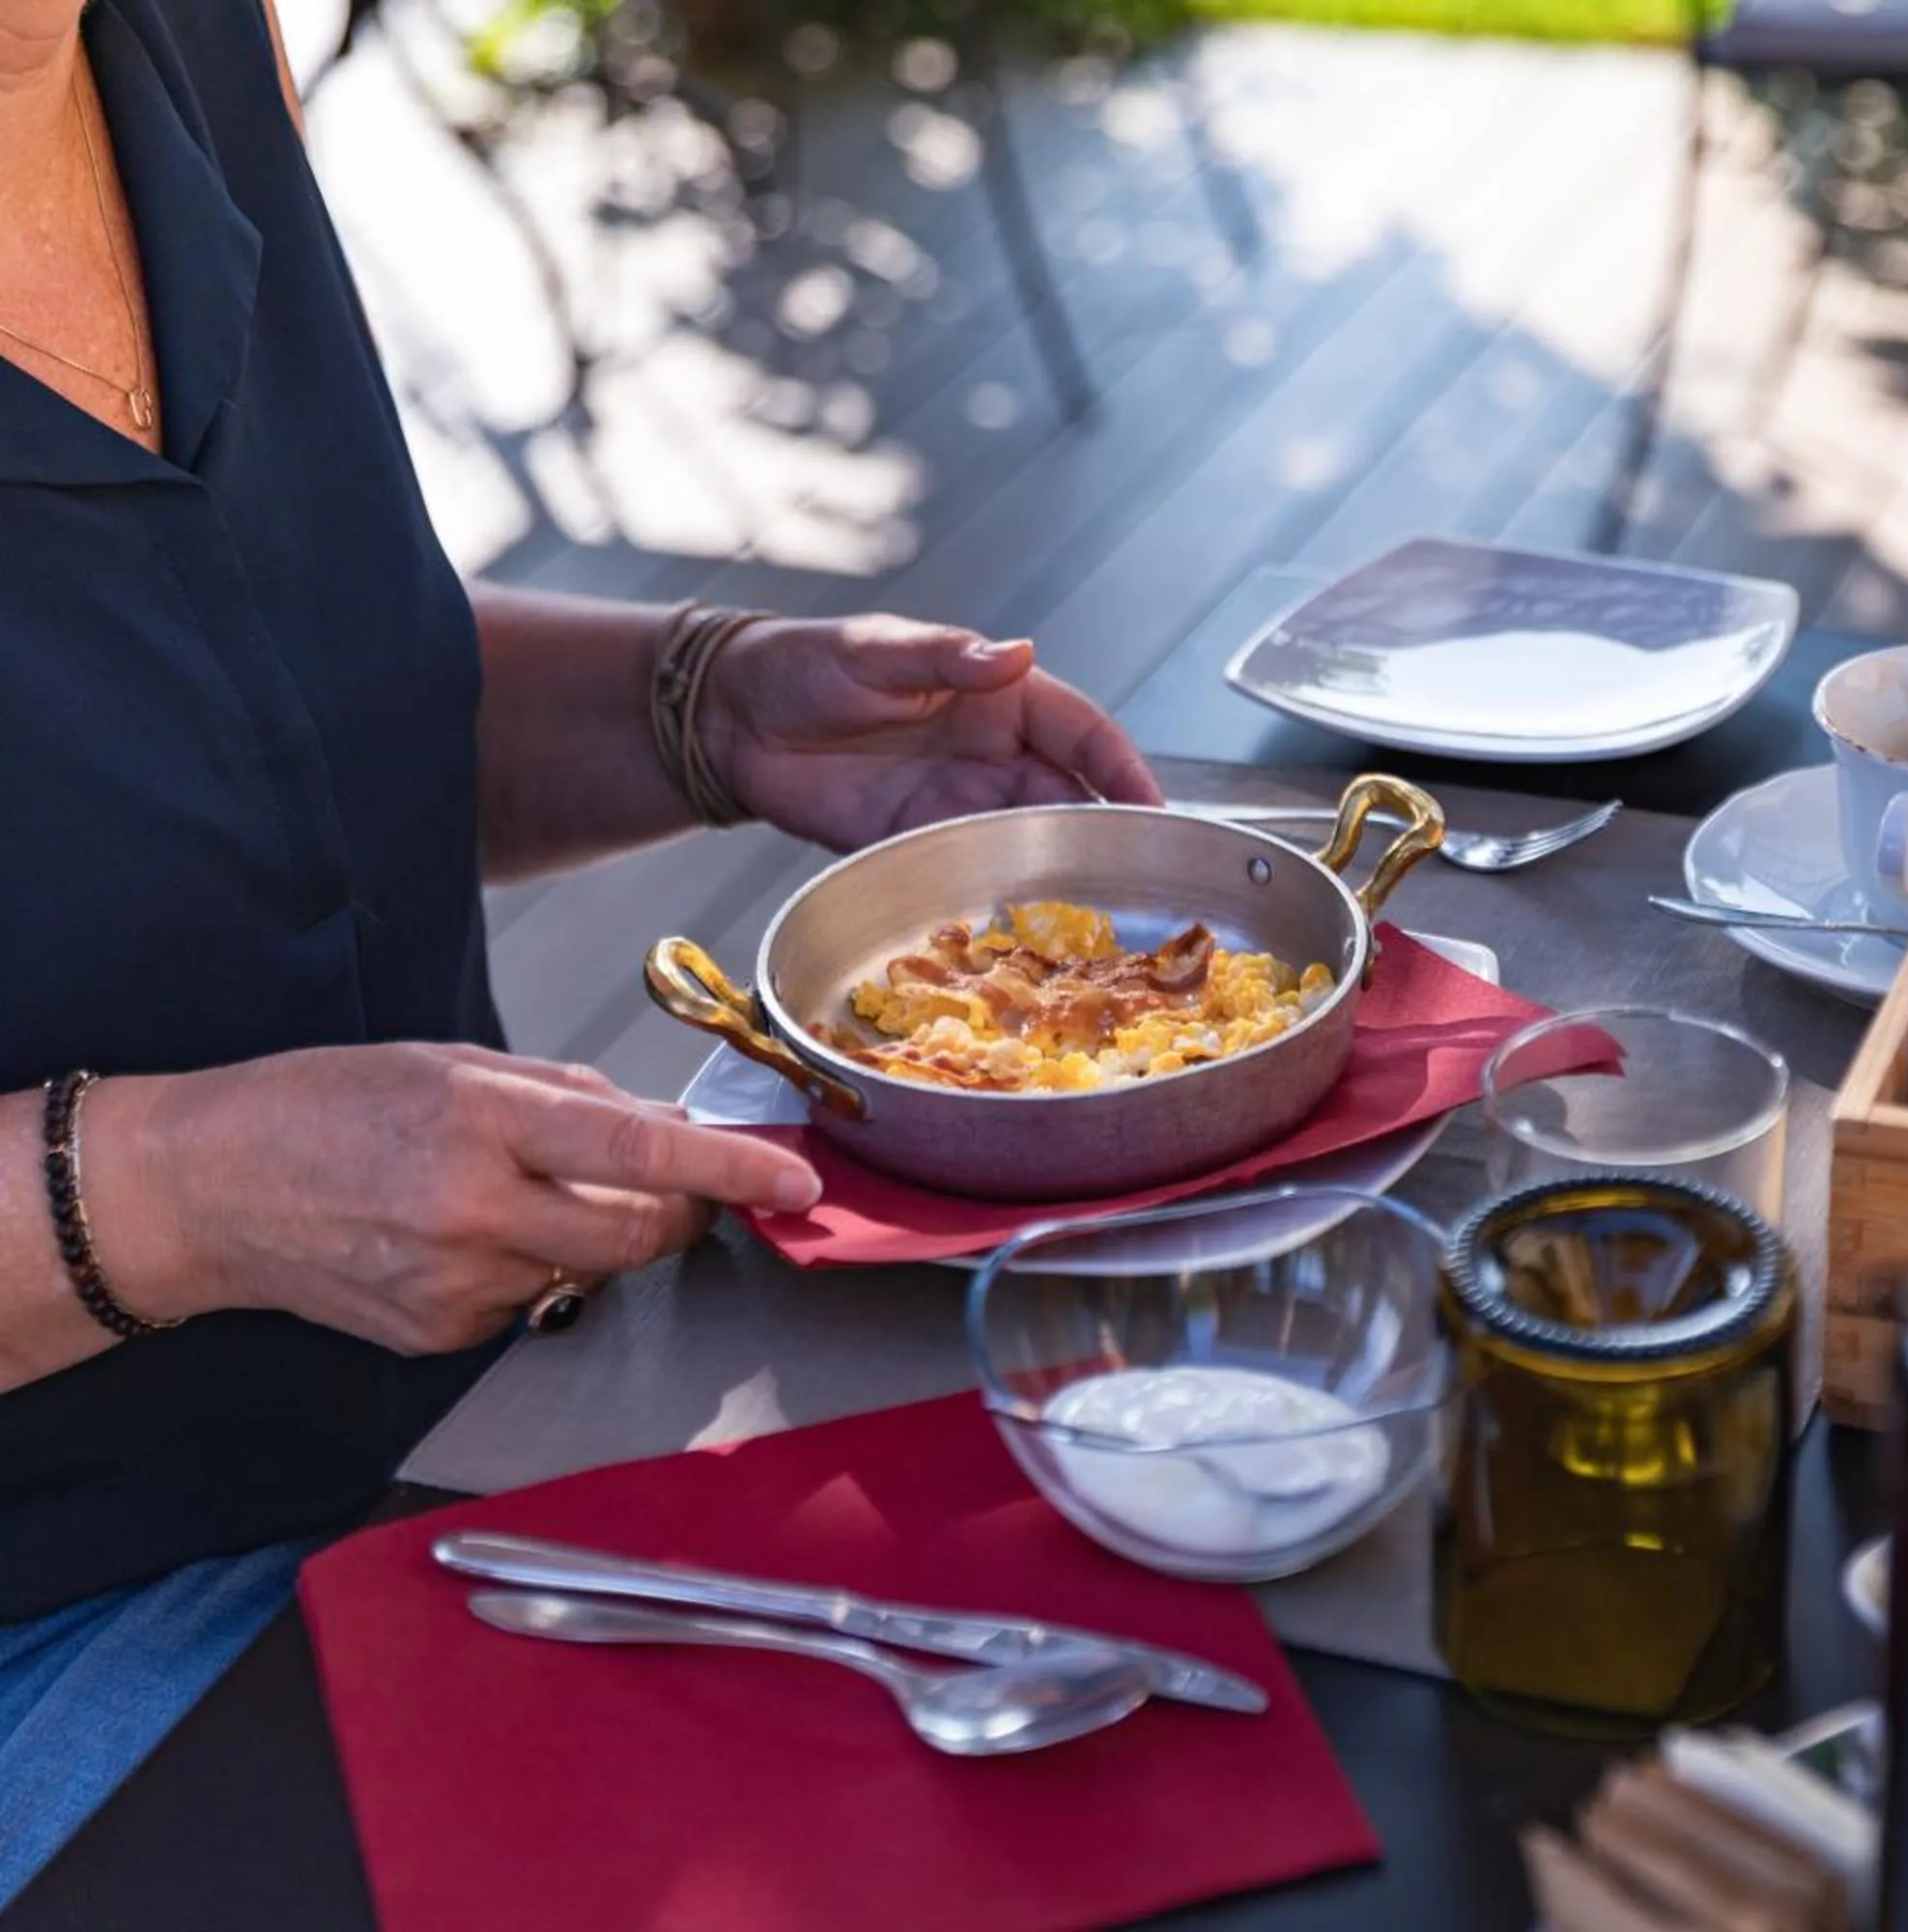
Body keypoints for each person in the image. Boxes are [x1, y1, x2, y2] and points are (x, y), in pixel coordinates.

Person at [0, 0, 1161, 1889]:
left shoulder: (179, 48)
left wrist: (692, 705)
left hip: (487, 1437)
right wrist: (178, 1192)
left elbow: (222, 701)